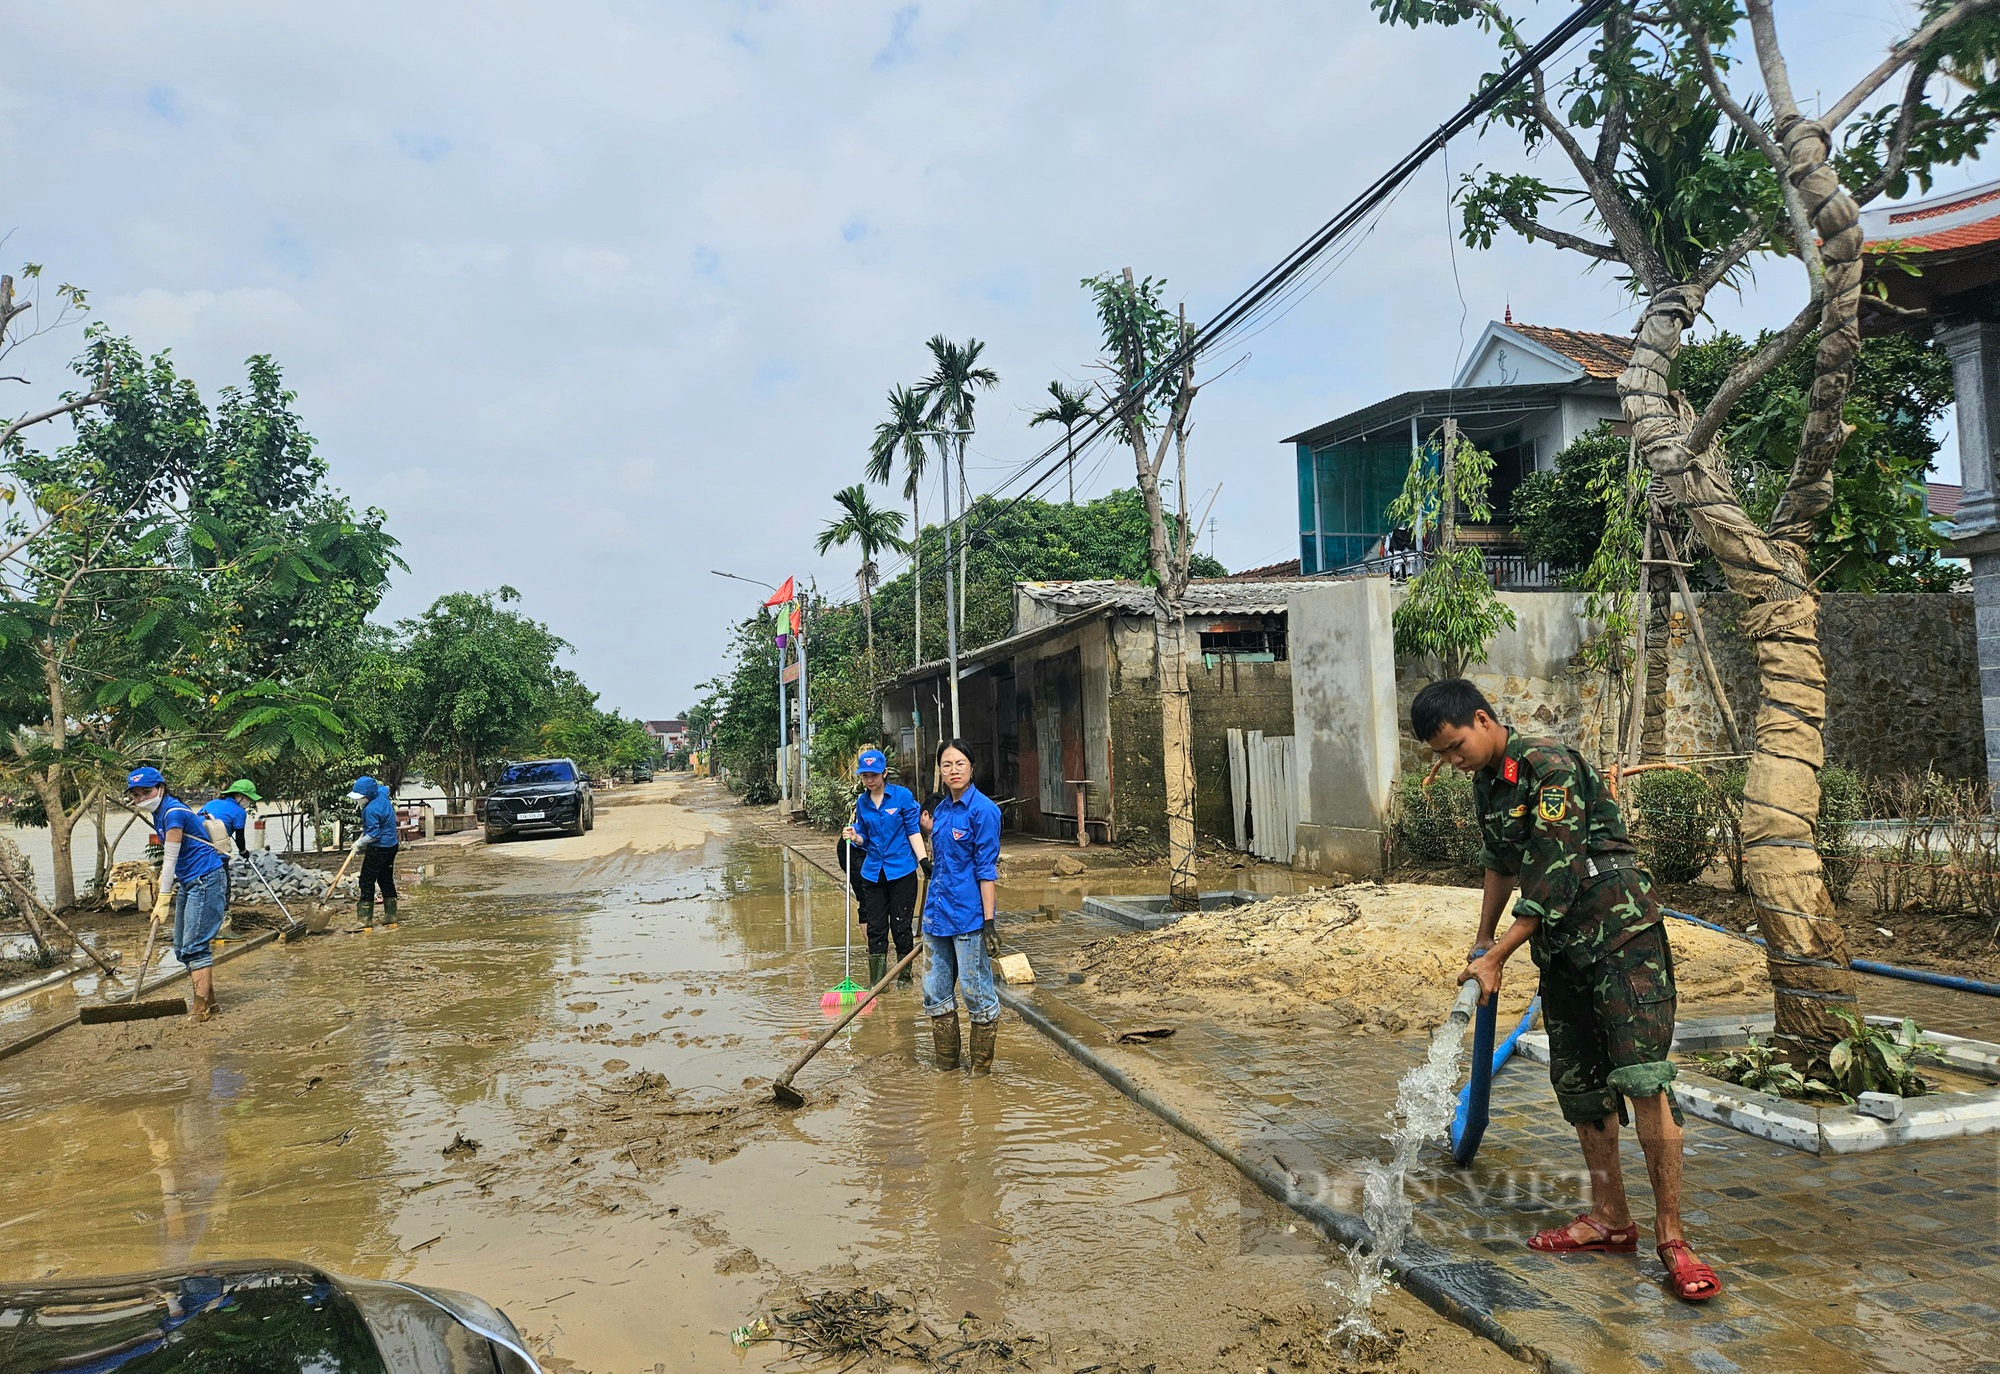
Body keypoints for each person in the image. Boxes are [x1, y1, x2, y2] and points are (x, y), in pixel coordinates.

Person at [1411, 679, 1720, 1303]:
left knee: (1641, 1081)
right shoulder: (1487, 782)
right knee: (1580, 1085)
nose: (1450, 761)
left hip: (1620, 941)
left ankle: (1672, 1239)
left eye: (1452, 746)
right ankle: (1610, 1220)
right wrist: (1481, 942)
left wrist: (1500, 955)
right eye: (1440, 755)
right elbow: (1501, 864)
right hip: (1561, 951)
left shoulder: (1548, 765)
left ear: (1481, 718)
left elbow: (1555, 874)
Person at [917, 739, 1002, 1074]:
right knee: (935, 993)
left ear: (972, 767)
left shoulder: (984, 811)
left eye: (960, 764)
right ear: (940, 771)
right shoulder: (941, 810)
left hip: (968, 918)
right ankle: (947, 1068)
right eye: (947, 765)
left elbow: (986, 871)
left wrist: (990, 921)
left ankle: (980, 1071)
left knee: (975, 992)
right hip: (936, 917)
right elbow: (941, 864)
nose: (953, 770)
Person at [125, 766, 229, 1021]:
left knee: (195, 946)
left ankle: (200, 1007)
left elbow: (169, 859)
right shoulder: (161, 813)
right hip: (190, 881)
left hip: (205, 879)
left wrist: (162, 898)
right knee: (182, 948)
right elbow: (171, 863)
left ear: (161, 788)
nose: (141, 798)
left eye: (146, 792)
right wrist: (166, 886)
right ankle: (211, 1003)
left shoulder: (172, 813)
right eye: (136, 795)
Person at [842, 748, 928, 987]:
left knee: (901, 927)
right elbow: (865, 838)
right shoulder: (862, 802)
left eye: (874, 775)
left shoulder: (901, 797)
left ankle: (904, 980)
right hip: (872, 874)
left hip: (901, 871)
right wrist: (854, 836)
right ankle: (878, 985)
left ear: (885, 773)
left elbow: (913, 830)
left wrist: (923, 861)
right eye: (865, 775)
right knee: (876, 930)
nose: (870, 780)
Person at [346, 775, 402, 932]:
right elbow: (385, 788)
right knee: (386, 879)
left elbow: (373, 835)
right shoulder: (381, 793)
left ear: (368, 795)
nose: (359, 800)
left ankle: (364, 920)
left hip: (378, 848)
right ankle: (391, 916)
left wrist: (358, 844)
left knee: (366, 880)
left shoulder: (371, 810)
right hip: (392, 845)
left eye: (361, 797)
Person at [197, 780, 261, 858]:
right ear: (240, 795)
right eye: (248, 798)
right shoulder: (239, 812)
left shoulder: (212, 803)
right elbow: (239, 838)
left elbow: (197, 819)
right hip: (217, 853)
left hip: (196, 848)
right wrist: (243, 852)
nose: (249, 801)